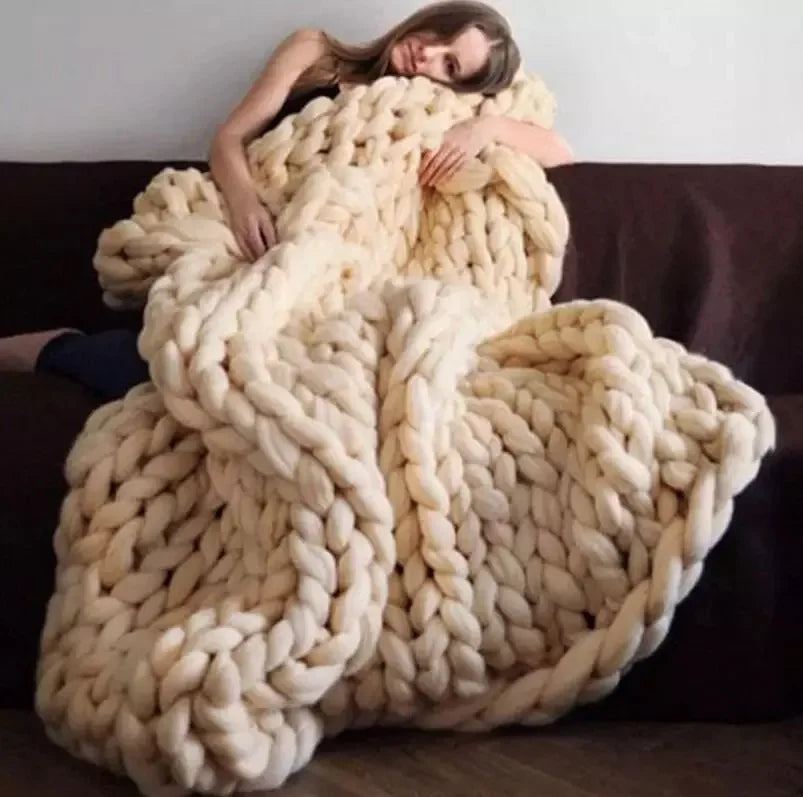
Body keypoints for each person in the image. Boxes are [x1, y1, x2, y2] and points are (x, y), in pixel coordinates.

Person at [0, 1, 573, 400]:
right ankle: (52, 350)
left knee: (294, 382)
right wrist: (246, 202)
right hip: (260, 230)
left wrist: (486, 127)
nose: (428, 56)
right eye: (440, 36)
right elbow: (229, 140)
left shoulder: (430, 110)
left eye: (450, 65)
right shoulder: (315, 50)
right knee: (211, 356)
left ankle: (70, 353)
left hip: (340, 265)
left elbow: (558, 151)